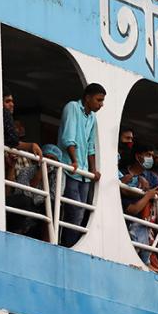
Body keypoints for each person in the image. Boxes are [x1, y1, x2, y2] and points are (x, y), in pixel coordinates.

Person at [57, 83, 105, 246]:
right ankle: (67, 245)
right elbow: (68, 137)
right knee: (74, 211)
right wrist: (74, 160)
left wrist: (93, 171)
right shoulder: (72, 107)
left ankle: (71, 245)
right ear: (88, 97)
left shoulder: (92, 118)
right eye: (99, 100)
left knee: (80, 213)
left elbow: (91, 146)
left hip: (83, 174)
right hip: (70, 170)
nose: (101, 104)